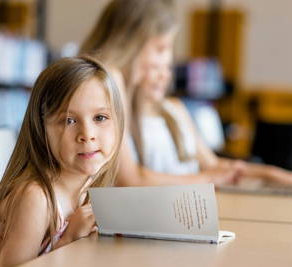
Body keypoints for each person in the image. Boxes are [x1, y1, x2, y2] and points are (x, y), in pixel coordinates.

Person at [0, 56, 124, 267]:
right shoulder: (36, 198)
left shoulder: (88, 188)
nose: (87, 135)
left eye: (100, 117)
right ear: (42, 129)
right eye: (69, 120)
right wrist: (69, 239)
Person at [80, 0, 242, 186]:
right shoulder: (108, 76)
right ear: (132, 43)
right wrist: (208, 179)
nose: (166, 60)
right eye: (161, 48)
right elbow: (128, 179)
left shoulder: (162, 105)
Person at [130, 47, 292, 187]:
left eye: (167, 67)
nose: (164, 75)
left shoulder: (176, 108)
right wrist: (207, 179)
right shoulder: (125, 117)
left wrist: (271, 174)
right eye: (155, 68)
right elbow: (134, 179)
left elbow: (212, 164)